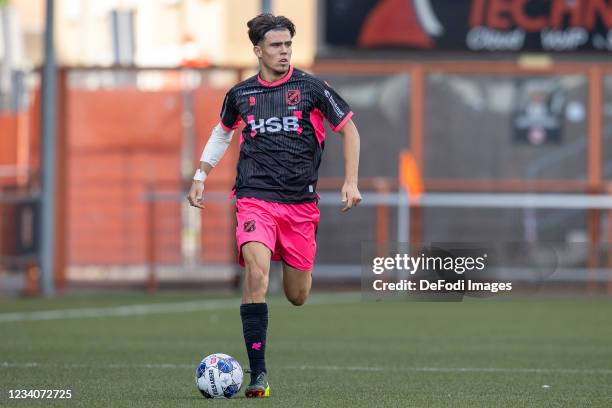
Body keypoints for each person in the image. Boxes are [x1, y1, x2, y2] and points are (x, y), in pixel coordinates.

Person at [187, 13, 361, 398]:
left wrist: (350, 181)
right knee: (257, 274)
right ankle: (258, 376)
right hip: (254, 198)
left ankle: (295, 275)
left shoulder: (311, 87)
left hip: (300, 206)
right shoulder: (240, 95)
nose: (284, 52)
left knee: (297, 295)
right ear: (258, 50)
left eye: (288, 45)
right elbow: (222, 132)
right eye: (276, 46)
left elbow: (348, 127)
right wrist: (200, 176)